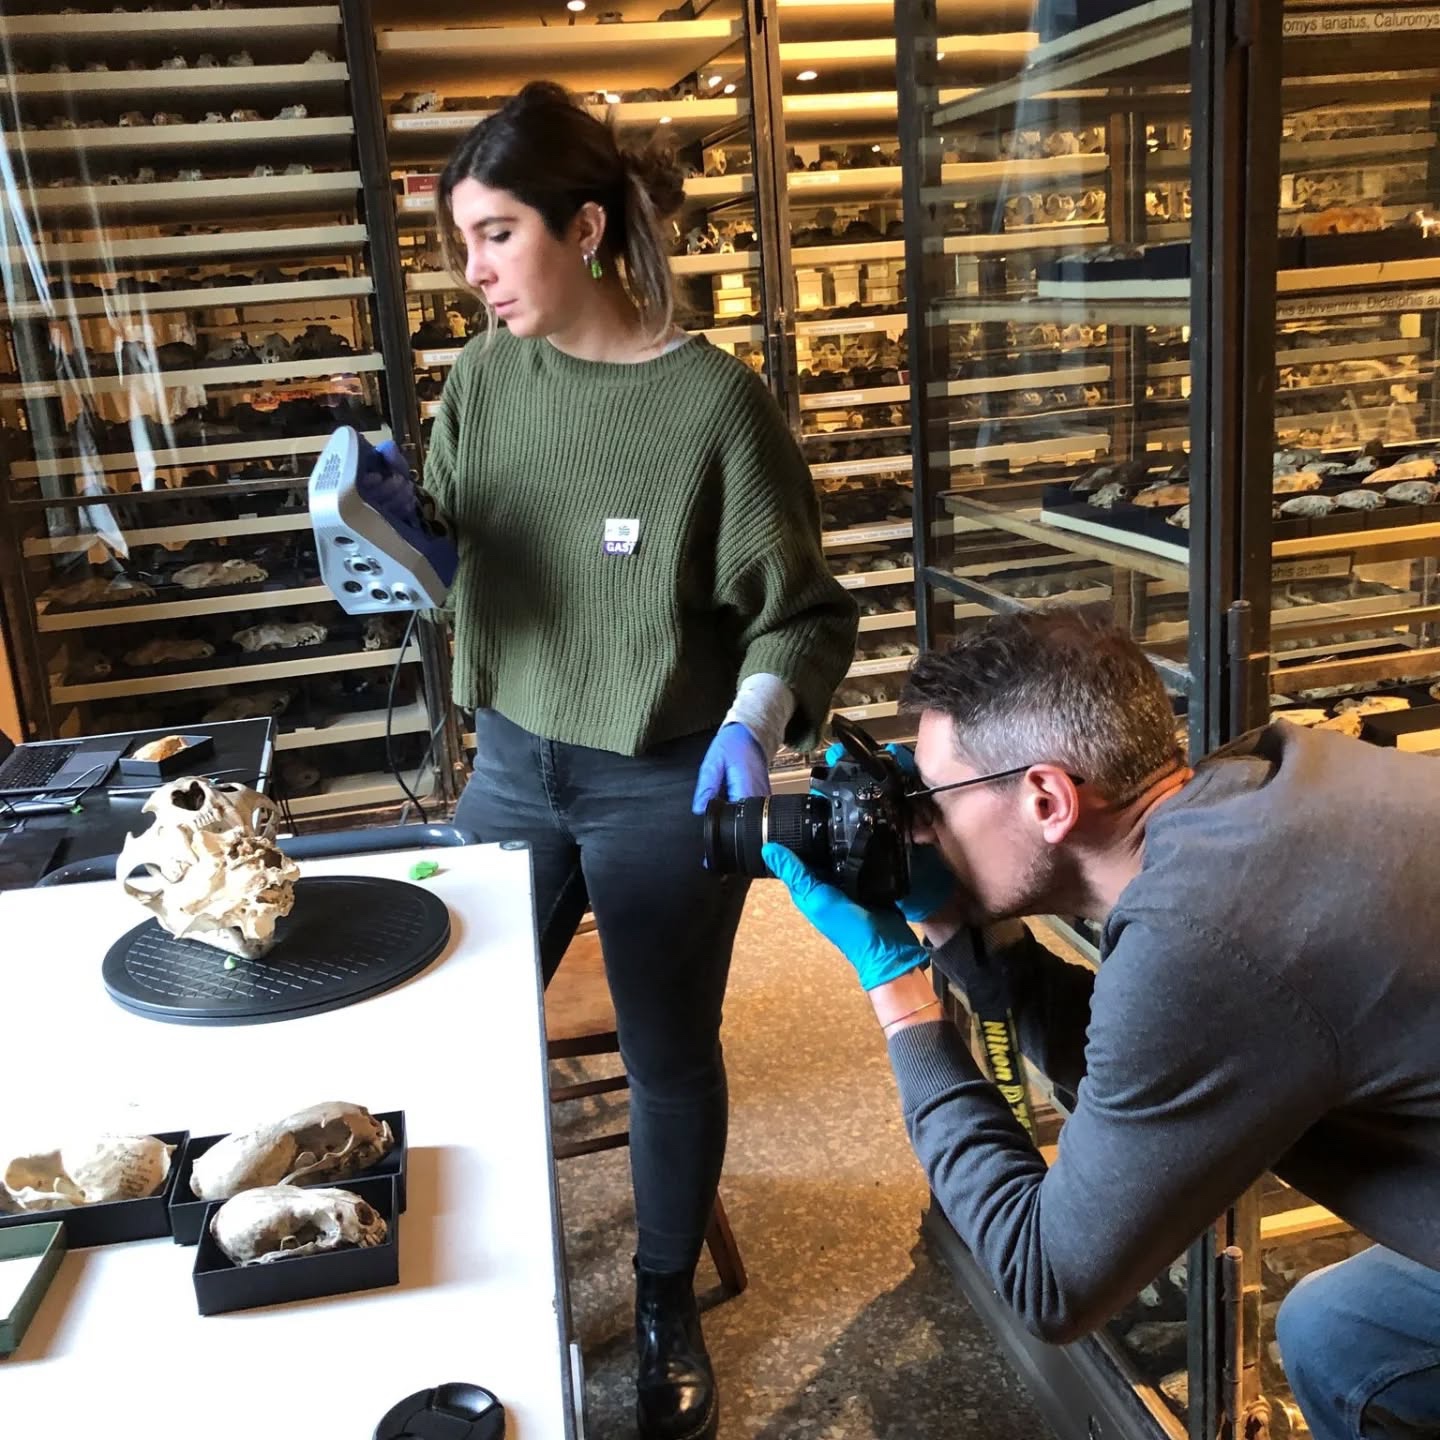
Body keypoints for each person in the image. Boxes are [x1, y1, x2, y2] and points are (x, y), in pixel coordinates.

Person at [411, 81, 858, 1440]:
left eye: (495, 236)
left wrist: (752, 723)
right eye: (461, 243)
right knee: (455, 1024)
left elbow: (803, 612)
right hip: (511, 758)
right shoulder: (483, 379)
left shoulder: (715, 405)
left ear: (587, 228)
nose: (473, 273)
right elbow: (450, 544)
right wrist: (376, 537)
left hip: (666, 773)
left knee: (667, 1051)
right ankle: (478, 1275)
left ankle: (666, 1305)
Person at [764, 609, 1440, 1440]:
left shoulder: (1205, 934)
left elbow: (1048, 1283)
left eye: (933, 798)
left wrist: (898, 990)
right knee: (1339, 1333)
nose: (923, 823)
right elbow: (1157, 1077)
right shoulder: (1254, 785)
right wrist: (946, 920)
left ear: (1047, 798)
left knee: (1345, 1341)